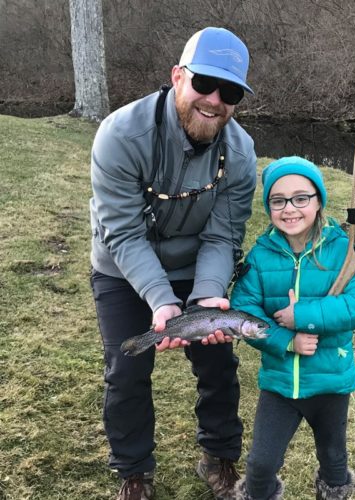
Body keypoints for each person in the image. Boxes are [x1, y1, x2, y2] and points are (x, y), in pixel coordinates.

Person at [89, 27, 257, 500]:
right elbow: (122, 232)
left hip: (195, 266)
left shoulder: (240, 155)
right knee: (126, 372)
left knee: (219, 361)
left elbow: (223, 234)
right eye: (205, 83)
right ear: (178, 76)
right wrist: (162, 302)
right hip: (121, 267)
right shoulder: (121, 134)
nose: (214, 99)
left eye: (230, 92)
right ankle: (134, 472)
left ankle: (219, 457)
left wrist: (206, 296)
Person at [230, 156, 355, 500]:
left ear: (318, 200)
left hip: (330, 381)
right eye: (278, 200)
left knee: (333, 458)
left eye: (301, 198)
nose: (289, 209)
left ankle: (334, 491)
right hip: (280, 383)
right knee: (261, 465)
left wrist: (303, 315)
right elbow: (243, 309)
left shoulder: (345, 250)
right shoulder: (261, 255)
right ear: (268, 206)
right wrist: (285, 338)